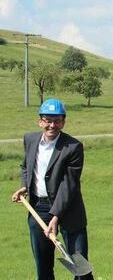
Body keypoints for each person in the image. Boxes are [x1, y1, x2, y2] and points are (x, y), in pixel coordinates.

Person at [11, 98, 94, 280]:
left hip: (69, 212)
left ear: (63, 122)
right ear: (40, 121)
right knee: (43, 267)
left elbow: (69, 184)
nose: (52, 125)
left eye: (57, 120)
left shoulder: (73, 147)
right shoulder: (30, 139)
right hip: (38, 209)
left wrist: (56, 216)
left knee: (81, 268)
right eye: (48, 120)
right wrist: (25, 186)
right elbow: (26, 166)